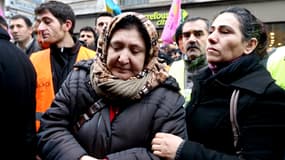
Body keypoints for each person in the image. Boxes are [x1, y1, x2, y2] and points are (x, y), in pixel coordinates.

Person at [37, 12, 187, 160]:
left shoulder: (168, 97)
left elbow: (168, 154)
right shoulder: (79, 79)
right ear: (105, 47)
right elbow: (51, 128)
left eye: (135, 51)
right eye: (116, 47)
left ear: (148, 55)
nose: (122, 59)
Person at [152, 7, 285, 159]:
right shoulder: (205, 82)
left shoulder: (267, 96)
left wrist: (183, 150)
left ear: (249, 45)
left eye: (225, 31)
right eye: (212, 30)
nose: (212, 38)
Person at [30, 0, 96, 131]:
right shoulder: (34, 59)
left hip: (81, 142)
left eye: (47, 22)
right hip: (42, 139)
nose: (40, 28)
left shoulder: (93, 58)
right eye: (39, 22)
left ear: (67, 25)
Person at [0, 16, 37, 160]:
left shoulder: (37, 54)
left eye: (19, 26)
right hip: (25, 144)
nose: (15, 31)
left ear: (30, 29)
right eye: (12, 27)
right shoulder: (21, 56)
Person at [168, 17, 209, 106]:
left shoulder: (220, 68)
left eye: (198, 34)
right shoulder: (174, 67)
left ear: (210, 37)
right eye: (186, 35)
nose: (191, 40)